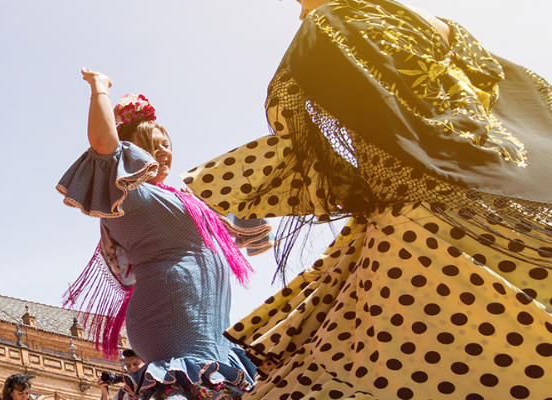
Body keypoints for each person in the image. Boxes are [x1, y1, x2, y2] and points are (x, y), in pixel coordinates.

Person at [184, 0, 552, 398]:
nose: (299, 12)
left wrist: (246, 192)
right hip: (526, 222)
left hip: (424, 241)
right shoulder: (456, 35)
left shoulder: (333, 21)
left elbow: (304, 138)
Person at [56, 70, 262, 399]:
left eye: (167, 143)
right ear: (132, 152)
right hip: (171, 318)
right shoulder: (129, 194)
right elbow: (104, 146)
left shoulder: (188, 199)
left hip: (214, 327)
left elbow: (245, 212)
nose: (164, 150)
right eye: (153, 143)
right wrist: (100, 88)